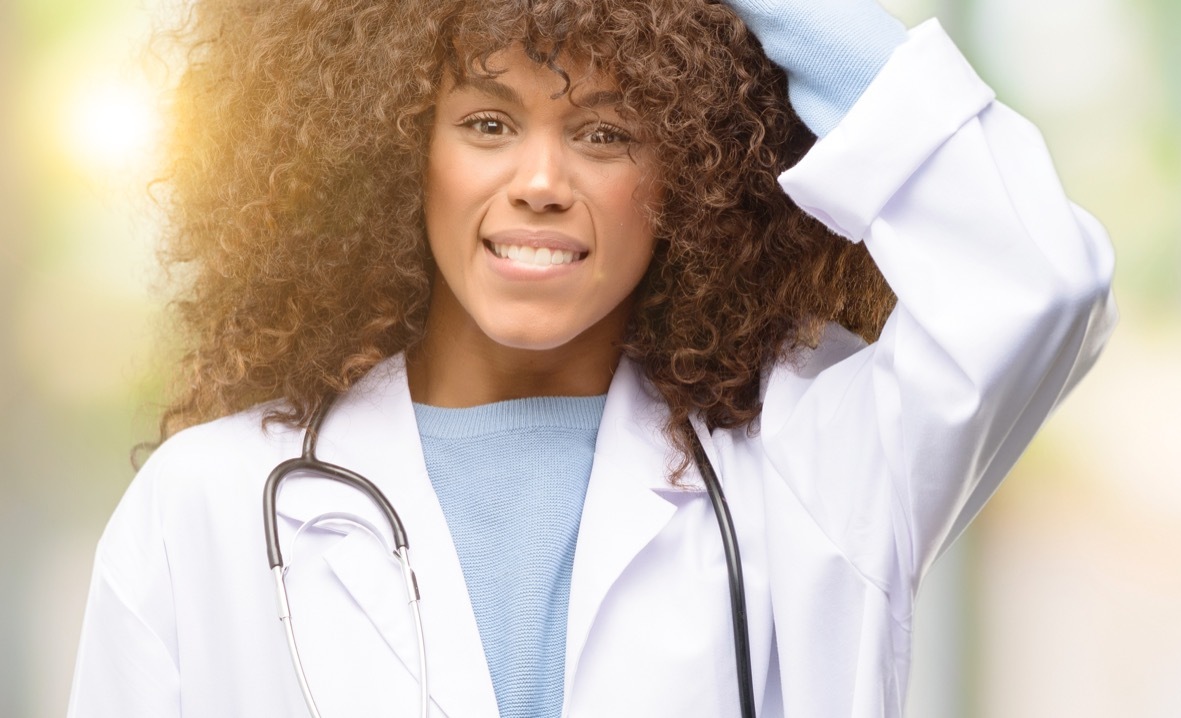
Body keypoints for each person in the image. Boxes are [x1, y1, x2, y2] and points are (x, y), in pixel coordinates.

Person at [68, 0, 1116, 716]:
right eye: (486, 121)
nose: (540, 179)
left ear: (696, 173)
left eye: (607, 133)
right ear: (397, 150)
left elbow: (1035, 280)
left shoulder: (808, 464)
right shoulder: (205, 504)